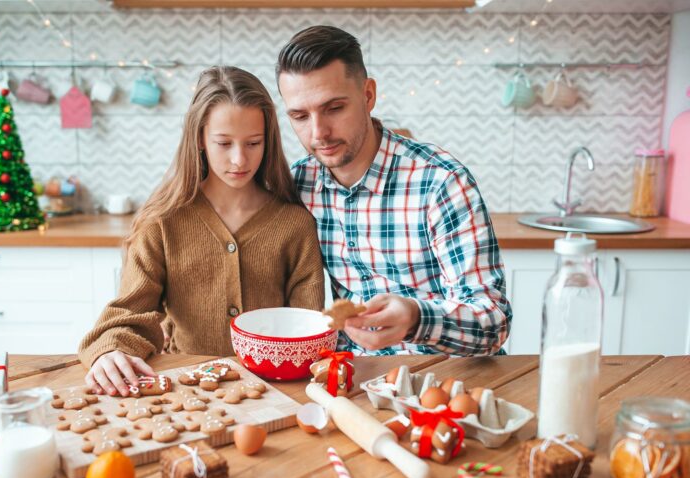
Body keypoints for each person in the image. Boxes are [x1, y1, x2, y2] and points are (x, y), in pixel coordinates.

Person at [78, 66, 325, 396]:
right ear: (199, 138)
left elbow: (307, 331)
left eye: (254, 142)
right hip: (185, 390)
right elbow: (129, 314)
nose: (240, 159)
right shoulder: (162, 222)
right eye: (224, 143)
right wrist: (109, 351)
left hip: (275, 393)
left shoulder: (294, 224)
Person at [276, 26, 512, 356]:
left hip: (448, 379)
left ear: (368, 95)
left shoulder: (440, 182)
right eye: (300, 116)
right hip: (357, 381)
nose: (319, 133)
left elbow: (494, 323)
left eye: (334, 108)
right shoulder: (300, 184)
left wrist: (416, 319)